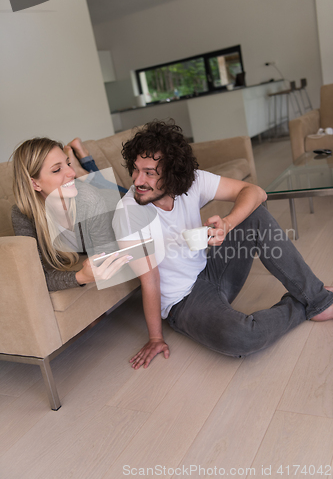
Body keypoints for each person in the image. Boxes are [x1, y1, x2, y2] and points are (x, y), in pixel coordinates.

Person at [112, 119, 333, 370]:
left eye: (149, 173)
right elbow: (149, 281)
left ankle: (316, 297)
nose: (138, 180)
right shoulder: (129, 214)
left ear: (173, 174)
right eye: (136, 169)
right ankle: (310, 301)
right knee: (243, 337)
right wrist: (155, 337)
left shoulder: (191, 182)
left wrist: (227, 224)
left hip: (212, 267)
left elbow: (255, 192)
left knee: (255, 215)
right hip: (183, 302)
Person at [11, 137, 131, 292]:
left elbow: (106, 255)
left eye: (68, 164)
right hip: (96, 195)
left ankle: (85, 169)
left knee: (141, 202)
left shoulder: (88, 198)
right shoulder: (22, 214)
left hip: (122, 204)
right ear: (34, 183)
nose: (71, 172)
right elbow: (37, 276)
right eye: (56, 170)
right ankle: (85, 168)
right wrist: (81, 277)